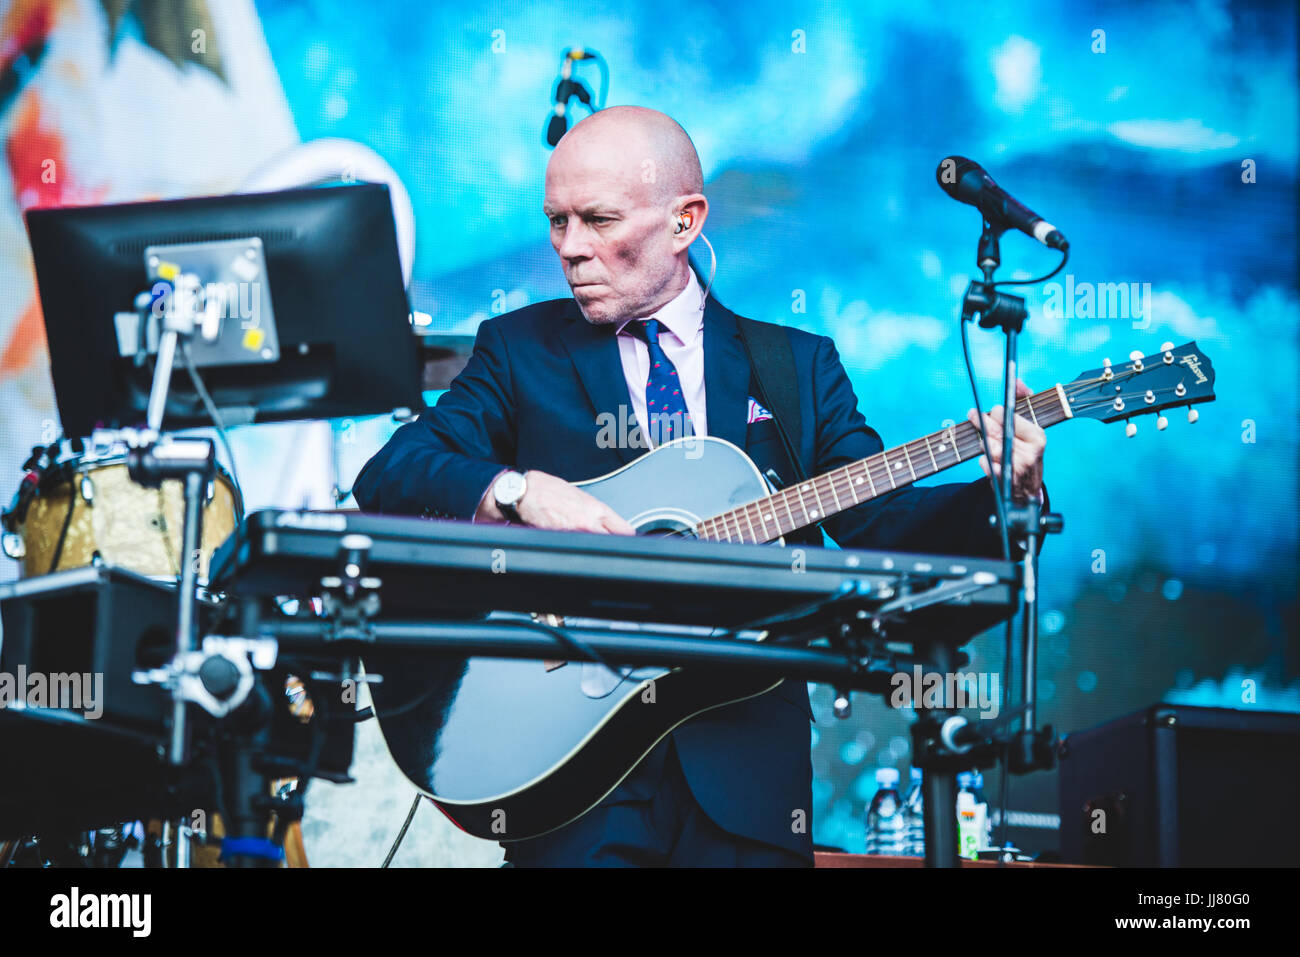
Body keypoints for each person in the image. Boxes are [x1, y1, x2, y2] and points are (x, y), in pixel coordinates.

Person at [352, 106, 1046, 867]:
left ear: (685, 222)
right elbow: (391, 474)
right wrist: (518, 491)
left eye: (597, 219)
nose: (570, 249)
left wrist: (1008, 496)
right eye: (556, 222)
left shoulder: (795, 367)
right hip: (574, 784)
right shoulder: (521, 349)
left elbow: (880, 524)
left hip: (747, 782)